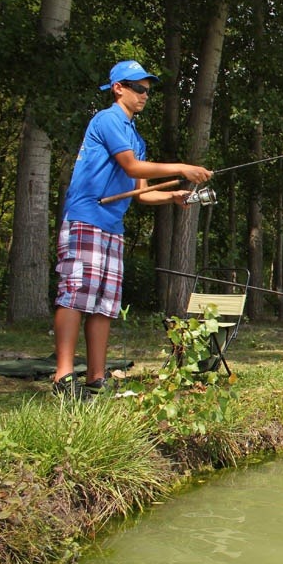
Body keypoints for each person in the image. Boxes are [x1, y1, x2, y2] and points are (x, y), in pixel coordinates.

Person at [53, 60, 213, 399]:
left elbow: (141, 189)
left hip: (112, 226)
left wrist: (172, 195)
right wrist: (182, 167)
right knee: (76, 294)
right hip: (86, 217)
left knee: (104, 303)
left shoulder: (134, 135)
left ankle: (96, 378)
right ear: (118, 88)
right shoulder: (108, 119)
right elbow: (131, 165)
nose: (144, 95)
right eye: (138, 88)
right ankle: (63, 377)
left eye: (147, 91)